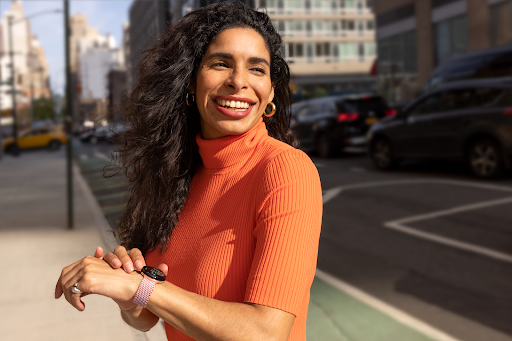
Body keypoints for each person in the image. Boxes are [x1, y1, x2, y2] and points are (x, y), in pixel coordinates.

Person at [55, 2, 322, 341]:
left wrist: (143, 288)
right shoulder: (174, 175)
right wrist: (128, 294)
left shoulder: (285, 170)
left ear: (270, 92)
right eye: (221, 63)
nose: (238, 81)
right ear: (191, 84)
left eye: (257, 69)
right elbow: (145, 319)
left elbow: (265, 333)